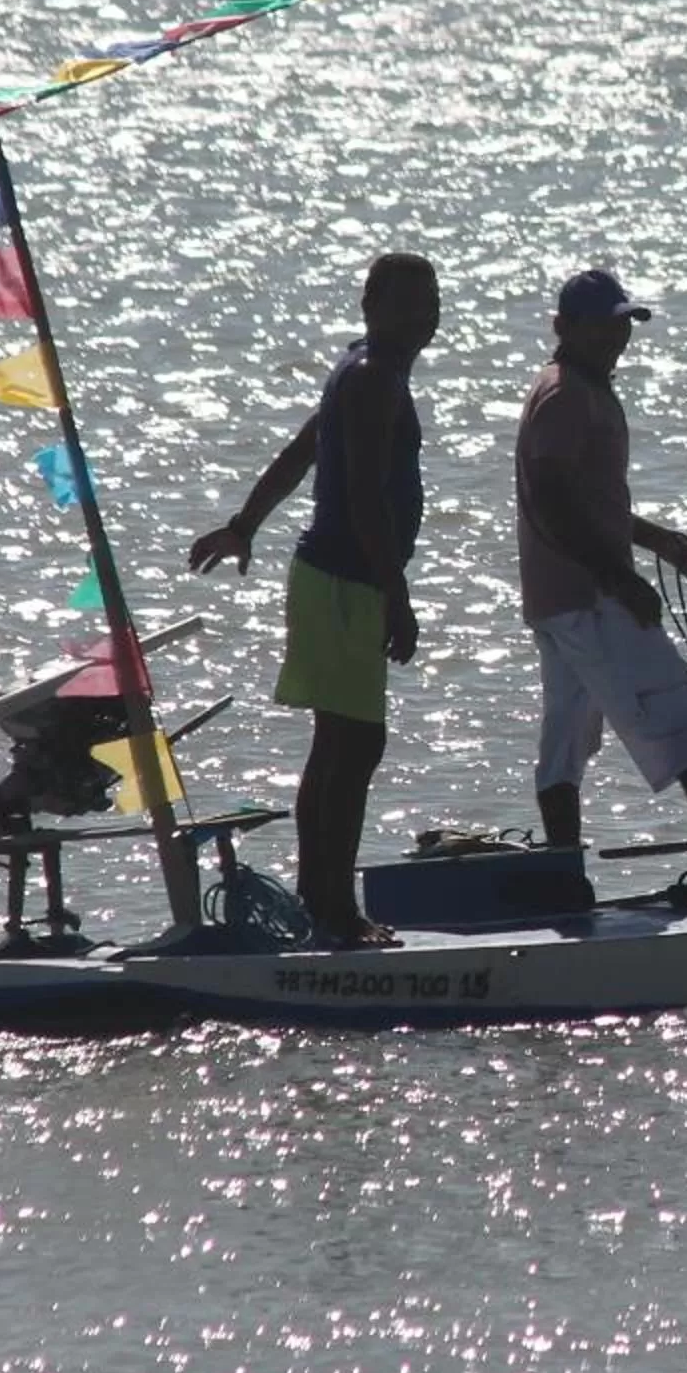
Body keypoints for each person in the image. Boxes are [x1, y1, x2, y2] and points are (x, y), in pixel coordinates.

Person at [189, 253, 439, 944]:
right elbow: (360, 493)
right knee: (355, 745)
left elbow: (302, 453)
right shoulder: (371, 376)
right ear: (370, 306)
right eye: (405, 303)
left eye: (430, 303)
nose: (421, 317)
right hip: (344, 583)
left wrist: (245, 524)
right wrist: (396, 593)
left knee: (340, 743)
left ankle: (319, 898)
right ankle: (335, 911)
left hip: (333, 580)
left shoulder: (363, 369)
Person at [515, 268, 687, 868]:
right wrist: (619, 578)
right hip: (588, 596)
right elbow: (550, 497)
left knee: (565, 739)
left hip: (558, 597)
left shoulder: (581, 388)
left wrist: (658, 541)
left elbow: (590, 502)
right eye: (600, 327)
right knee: (679, 712)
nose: (615, 338)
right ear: (563, 327)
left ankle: (563, 873)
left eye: (621, 325)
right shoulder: (566, 394)